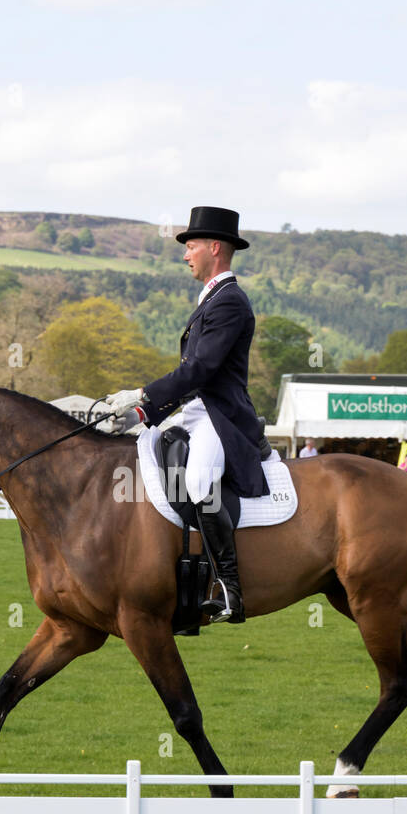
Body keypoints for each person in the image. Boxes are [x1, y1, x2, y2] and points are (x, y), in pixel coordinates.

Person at [104, 206, 264, 624]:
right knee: (143, 450)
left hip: (219, 415)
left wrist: (144, 395)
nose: (185, 253)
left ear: (214, 247)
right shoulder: (210, 300)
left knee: (196, 481)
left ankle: (229, 589)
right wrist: (142, 411)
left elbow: (200, 371)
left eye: (190, 245)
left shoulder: (229, 302)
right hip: (195, 411)